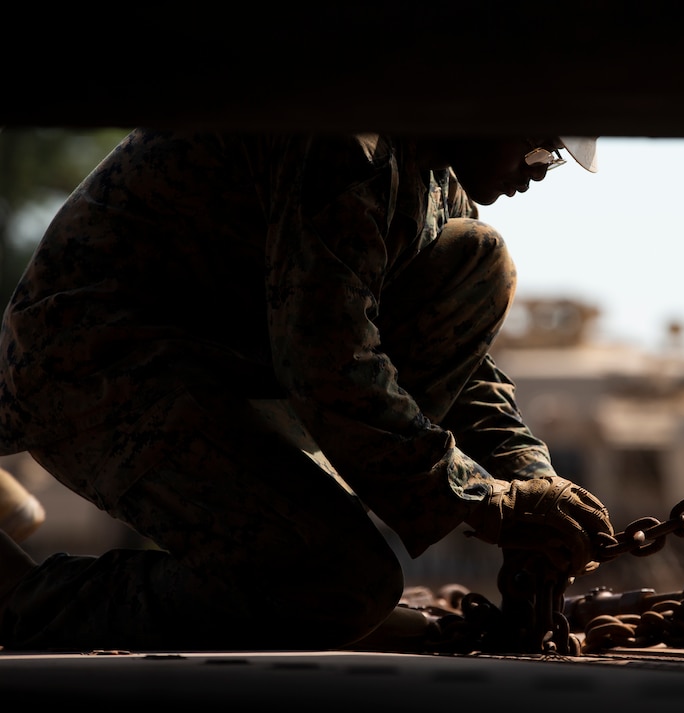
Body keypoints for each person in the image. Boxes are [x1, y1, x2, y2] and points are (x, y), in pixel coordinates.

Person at [0, 129, 613, 652]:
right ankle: (23, 602)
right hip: (93, 360)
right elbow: (332, 364)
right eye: (537, 149)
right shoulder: (347, 150)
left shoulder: (428, 174)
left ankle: (291, 586)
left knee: (478, 262)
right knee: (339, 583)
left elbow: (467, 371)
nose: (537, 175)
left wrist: (533, 482)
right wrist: (490, 502)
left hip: (204, 364)